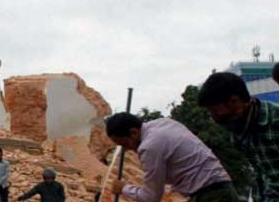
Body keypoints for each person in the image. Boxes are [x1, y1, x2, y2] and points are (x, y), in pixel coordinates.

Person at [105, 113, 237, 202]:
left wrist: (123, 188)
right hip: (221, 187)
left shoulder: (149, 146)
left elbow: (151, 197)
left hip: (210, 195)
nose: (126, 149)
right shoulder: (164, 123)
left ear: (133, 132)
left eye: (124, 144)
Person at [198, 72, 279, 201]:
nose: (214, 118)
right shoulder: (238, 132)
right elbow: (262, 177)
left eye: (215, 110)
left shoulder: (275, 120)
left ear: (234, 101)